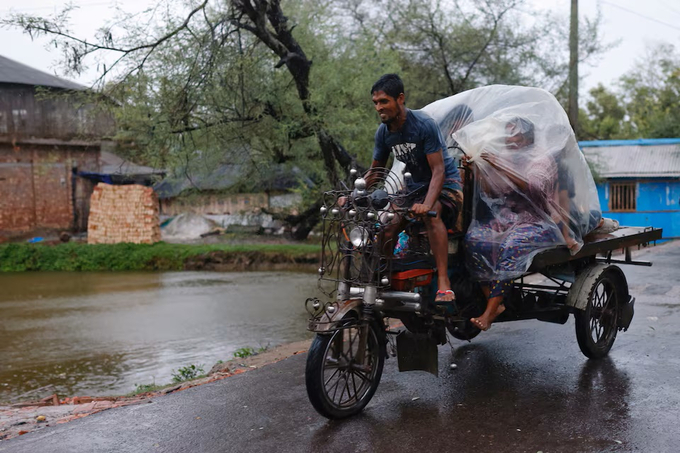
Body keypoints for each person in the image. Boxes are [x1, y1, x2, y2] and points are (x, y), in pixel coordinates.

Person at [369, 74, 463, 302]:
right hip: (413, 189)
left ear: (400, 99)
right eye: (375, 103)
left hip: (447, 185)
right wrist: (354, 194)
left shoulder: (423, 125)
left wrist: (427, 205)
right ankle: (383, 278)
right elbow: (375, 172)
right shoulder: (383, 133)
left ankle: (443, 283)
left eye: (384, 101)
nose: (379, 108)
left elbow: (439, 171)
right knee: (387, 224)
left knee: (433, 216)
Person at [465, 117, 560, 330]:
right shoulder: (507, 158)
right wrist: (477, 168)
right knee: (473, 239)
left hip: (540, 223)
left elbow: (535, 189)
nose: (508, 139)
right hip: (508, 220)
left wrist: (499, 164)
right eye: (506, 134)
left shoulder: (541, 159)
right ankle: (494, 301)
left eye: (513, 134)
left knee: (512, 246)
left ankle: (489, 312)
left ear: (527, 138)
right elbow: (492, 193)